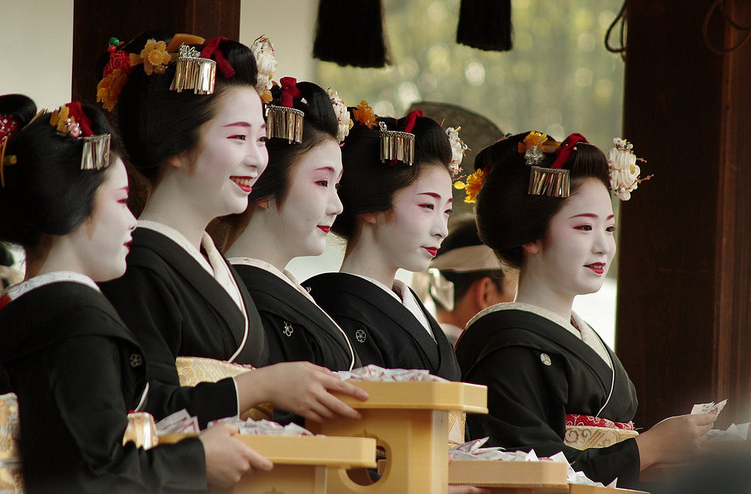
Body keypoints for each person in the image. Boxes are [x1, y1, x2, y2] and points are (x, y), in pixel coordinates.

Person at [0, 93, 272, 492]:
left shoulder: (13, 310)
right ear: (75, 206)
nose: (131, 220)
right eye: (121, 201)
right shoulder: (75, 325)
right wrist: (197, 460)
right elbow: (87, 476)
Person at [97, 32, 366, 428]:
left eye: (260, 139)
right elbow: (139, 407)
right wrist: (257, 389)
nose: (258, 160)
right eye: (239, 137)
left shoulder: (212, 263)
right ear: (176, 144)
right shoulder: (133, 264)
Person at [454, 131, 715, 488]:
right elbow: (532, 470)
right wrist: (649, 448)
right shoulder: (507, 345)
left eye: (609, 228)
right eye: (584, 227)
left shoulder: (576, 335)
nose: (603, 246)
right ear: (530, 235)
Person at [304, 105, 463, 380]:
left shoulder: (409, 305)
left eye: (446, 211)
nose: (442, 230)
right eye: (427, 205)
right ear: (372, 206)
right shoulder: (336, 310)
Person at [219, 78, 357, 372]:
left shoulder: (280, 287)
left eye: (337, 185)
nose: (337, 206)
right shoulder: (249, 295)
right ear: (266, 187)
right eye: (322, 182)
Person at [423, 214, 516, 345]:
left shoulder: (419, 348)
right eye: (516, 288)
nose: (519, 301)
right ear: (485, 293)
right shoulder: (478, 362)